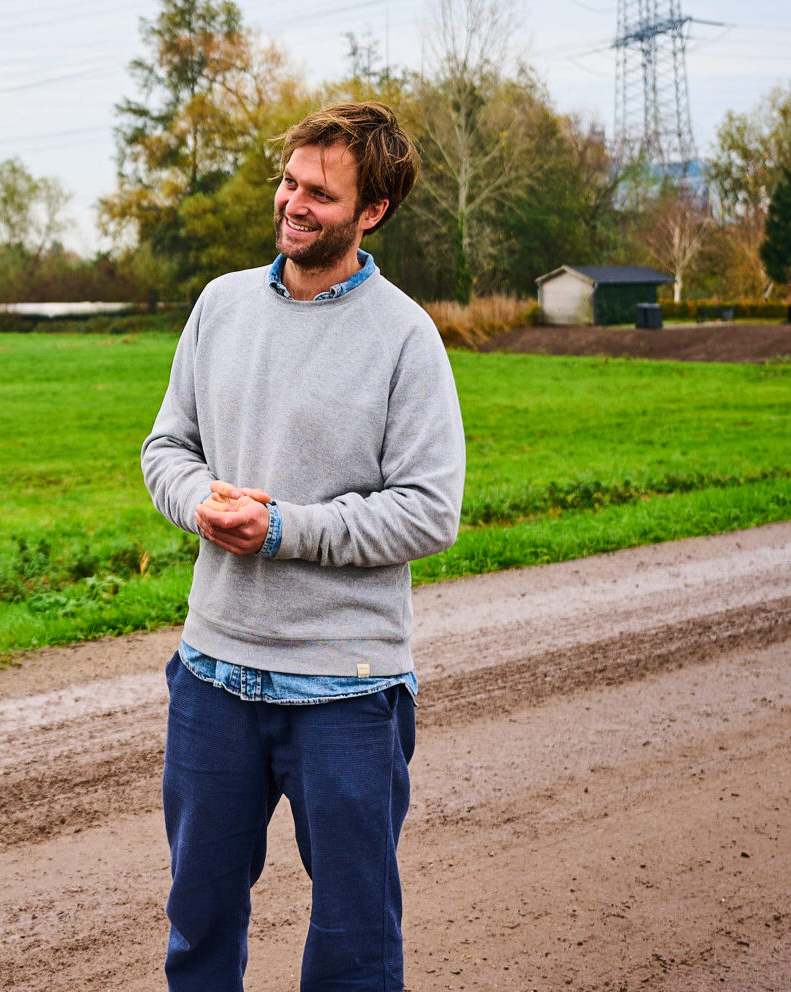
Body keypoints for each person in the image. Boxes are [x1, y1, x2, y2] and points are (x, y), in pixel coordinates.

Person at [140, 100, 465, 992]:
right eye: (289, 181)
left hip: (348, 692)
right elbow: (166, 447)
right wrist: (200, 503)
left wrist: (282, 528)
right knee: (198, 924)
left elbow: (430, 511)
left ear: (372, 213)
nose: (293, 202)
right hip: (212, 678)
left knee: (355, 943)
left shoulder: (406, 337)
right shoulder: (221, 306)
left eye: (319, 193)